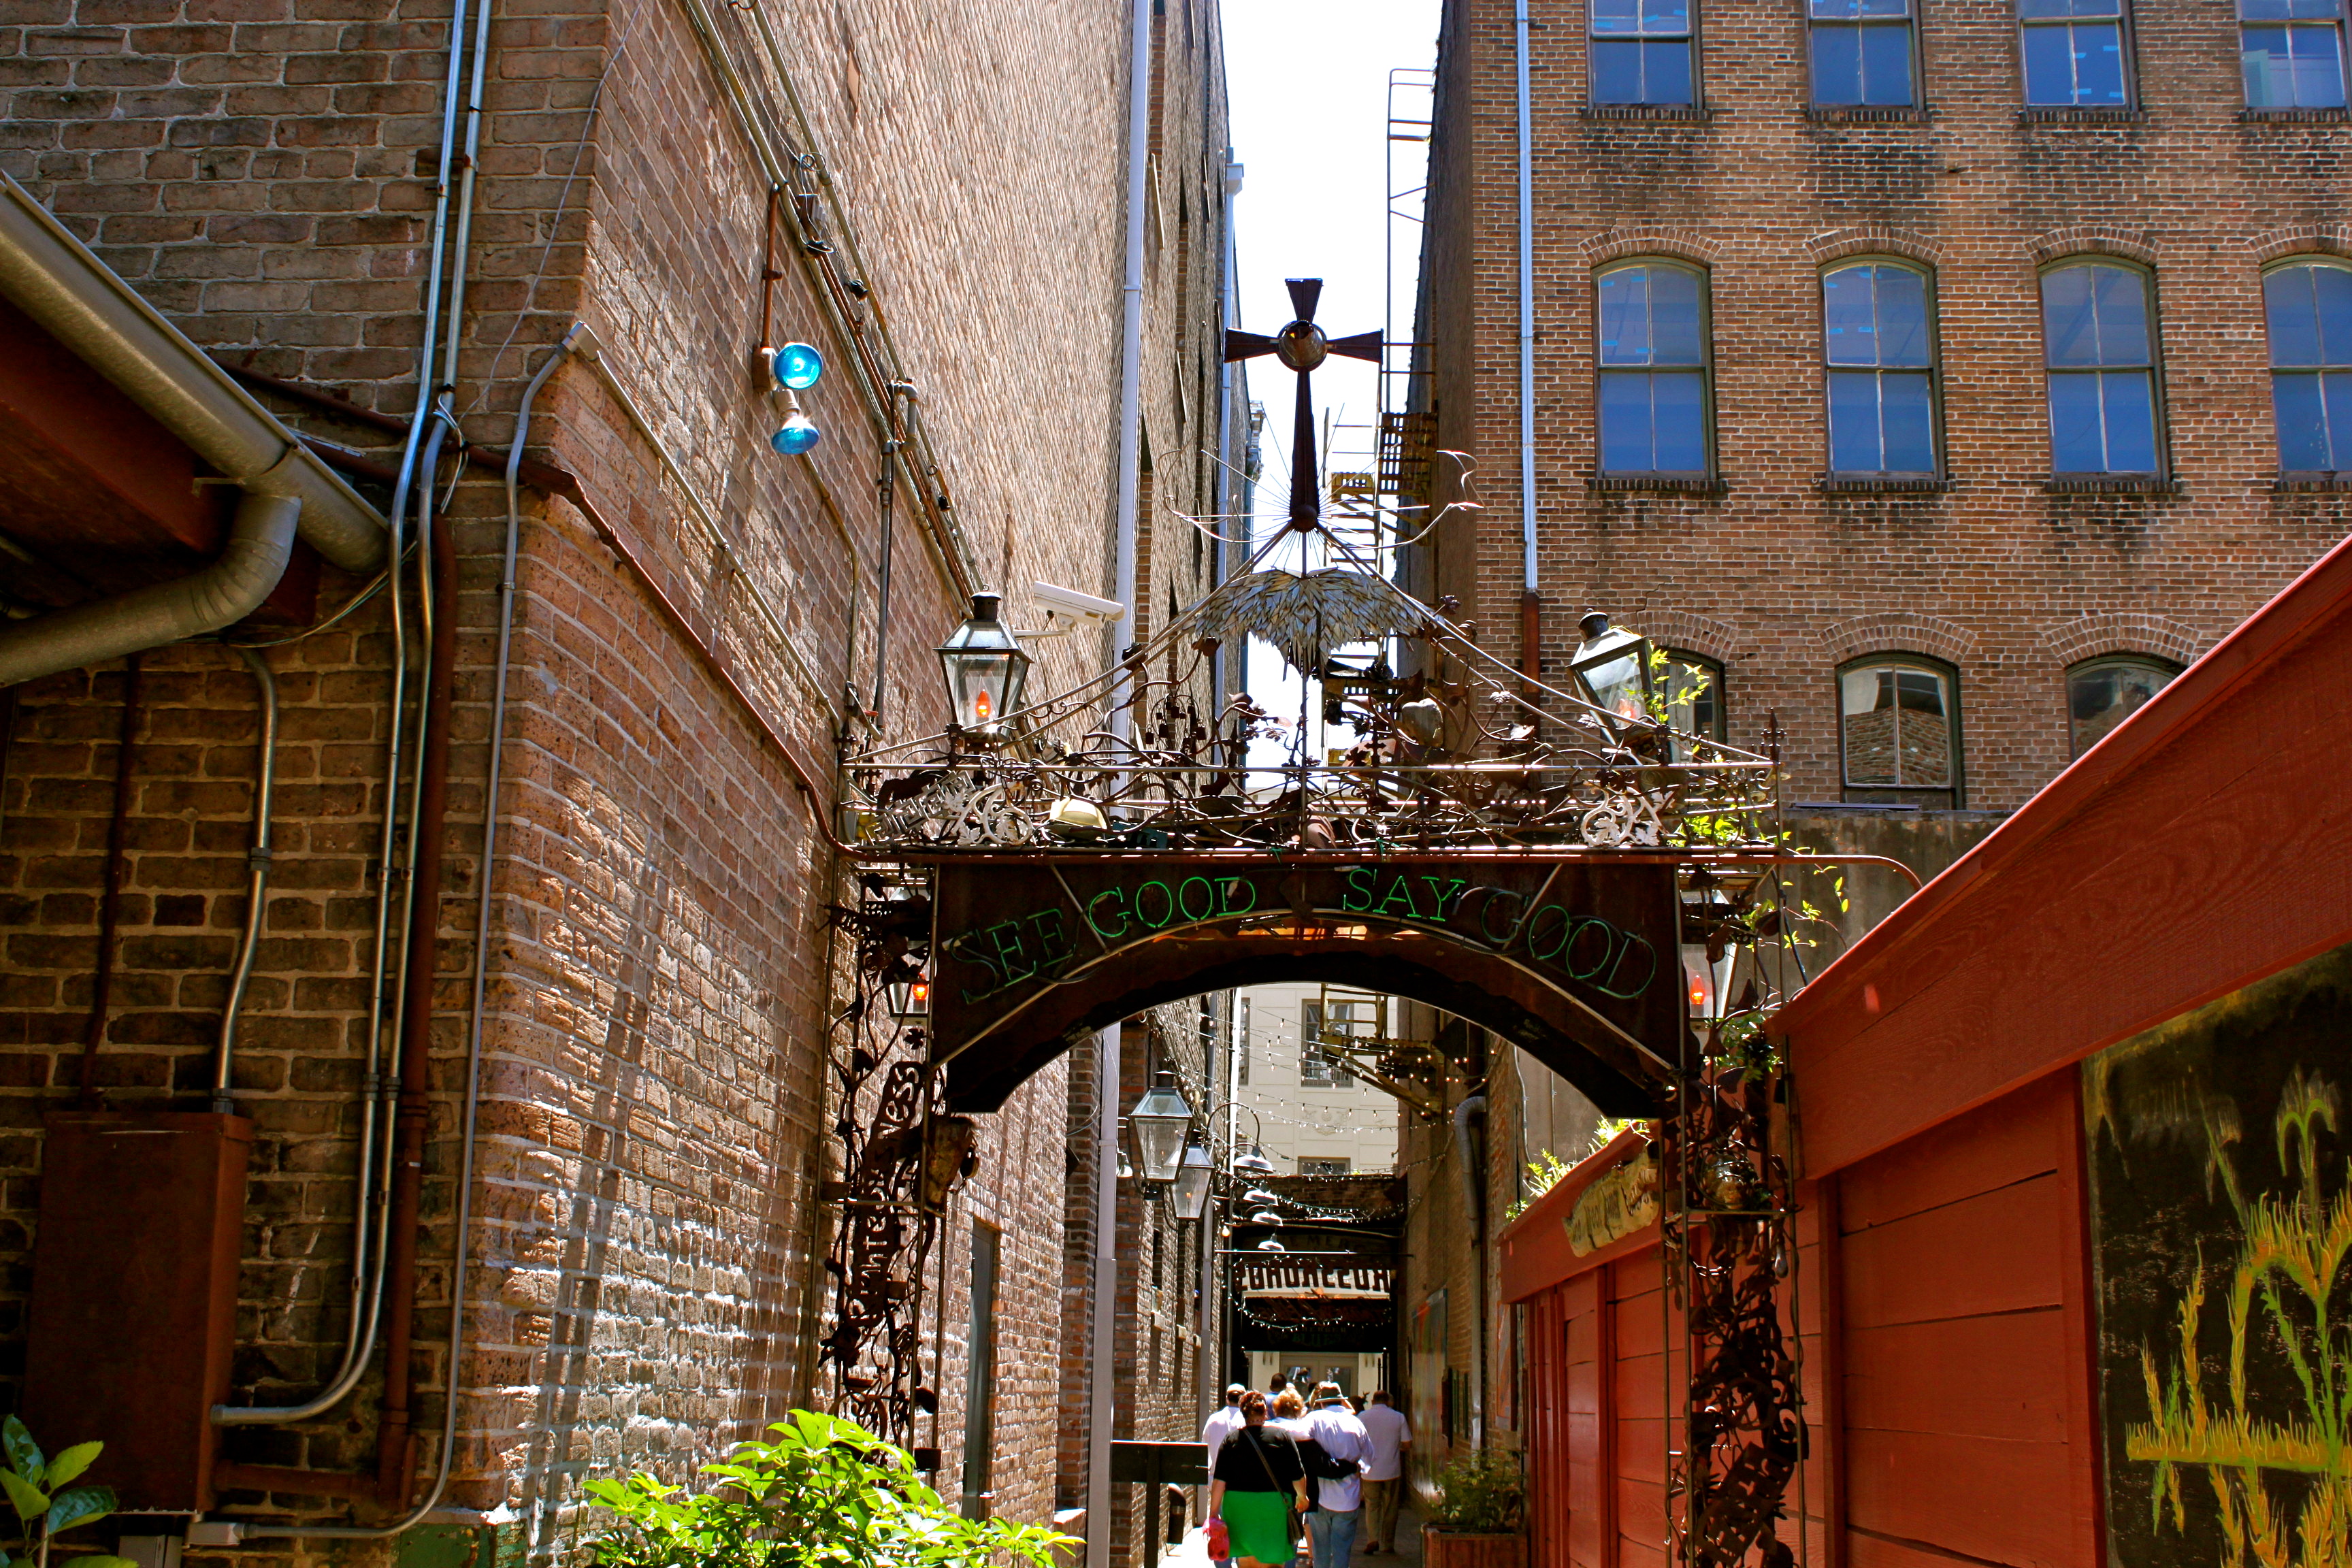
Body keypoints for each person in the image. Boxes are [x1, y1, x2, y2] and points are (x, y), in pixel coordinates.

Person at [1210, 1391, 1310, 1568]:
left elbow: (1219, 1481)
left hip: (1239, 1507)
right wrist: (1302, 1497)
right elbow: (1298, 1475)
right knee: (1273, 1561)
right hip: (1274, 1506)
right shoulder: (1282, 1437)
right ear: (1265, 1413)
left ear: (1244, 1414)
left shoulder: (1231, 1440)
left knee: (1247, 1561)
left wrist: (1213, 1513)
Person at [1301, 1382, 1371, 1568]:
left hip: (1319, 1496)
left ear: (1321, 1402)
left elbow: (1299, 1443)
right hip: (1348, 1498)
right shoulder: (1356, 1423)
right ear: (1341, 1401)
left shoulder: (1312, 1419)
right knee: (1342, 1550)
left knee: (1321, 1550)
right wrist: (1356, 1469)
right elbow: (1369, 1460)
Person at [1356, 1390, 1412, 1555]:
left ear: (1373, 1401)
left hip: (1369, 1471)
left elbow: (1356, 1443)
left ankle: (1372, 1540)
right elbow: (1407, 1444)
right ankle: (1388, 1543)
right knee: (1390, 1508)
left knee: (1372, 1507)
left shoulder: (1362, 1417)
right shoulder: (1398, 1417)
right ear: (1388, 1401)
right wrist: (1395, 1448)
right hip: (1391, 1470)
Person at [1203, 1383, 1248, 1519]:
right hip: (1240, 1480)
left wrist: (1206, 1475)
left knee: (1221, 1520)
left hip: (1215, 1478)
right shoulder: (1246, 1421)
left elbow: (1204, 1447)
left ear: (1227, 1399)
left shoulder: (1213, 1419)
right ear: (1243, 1399)